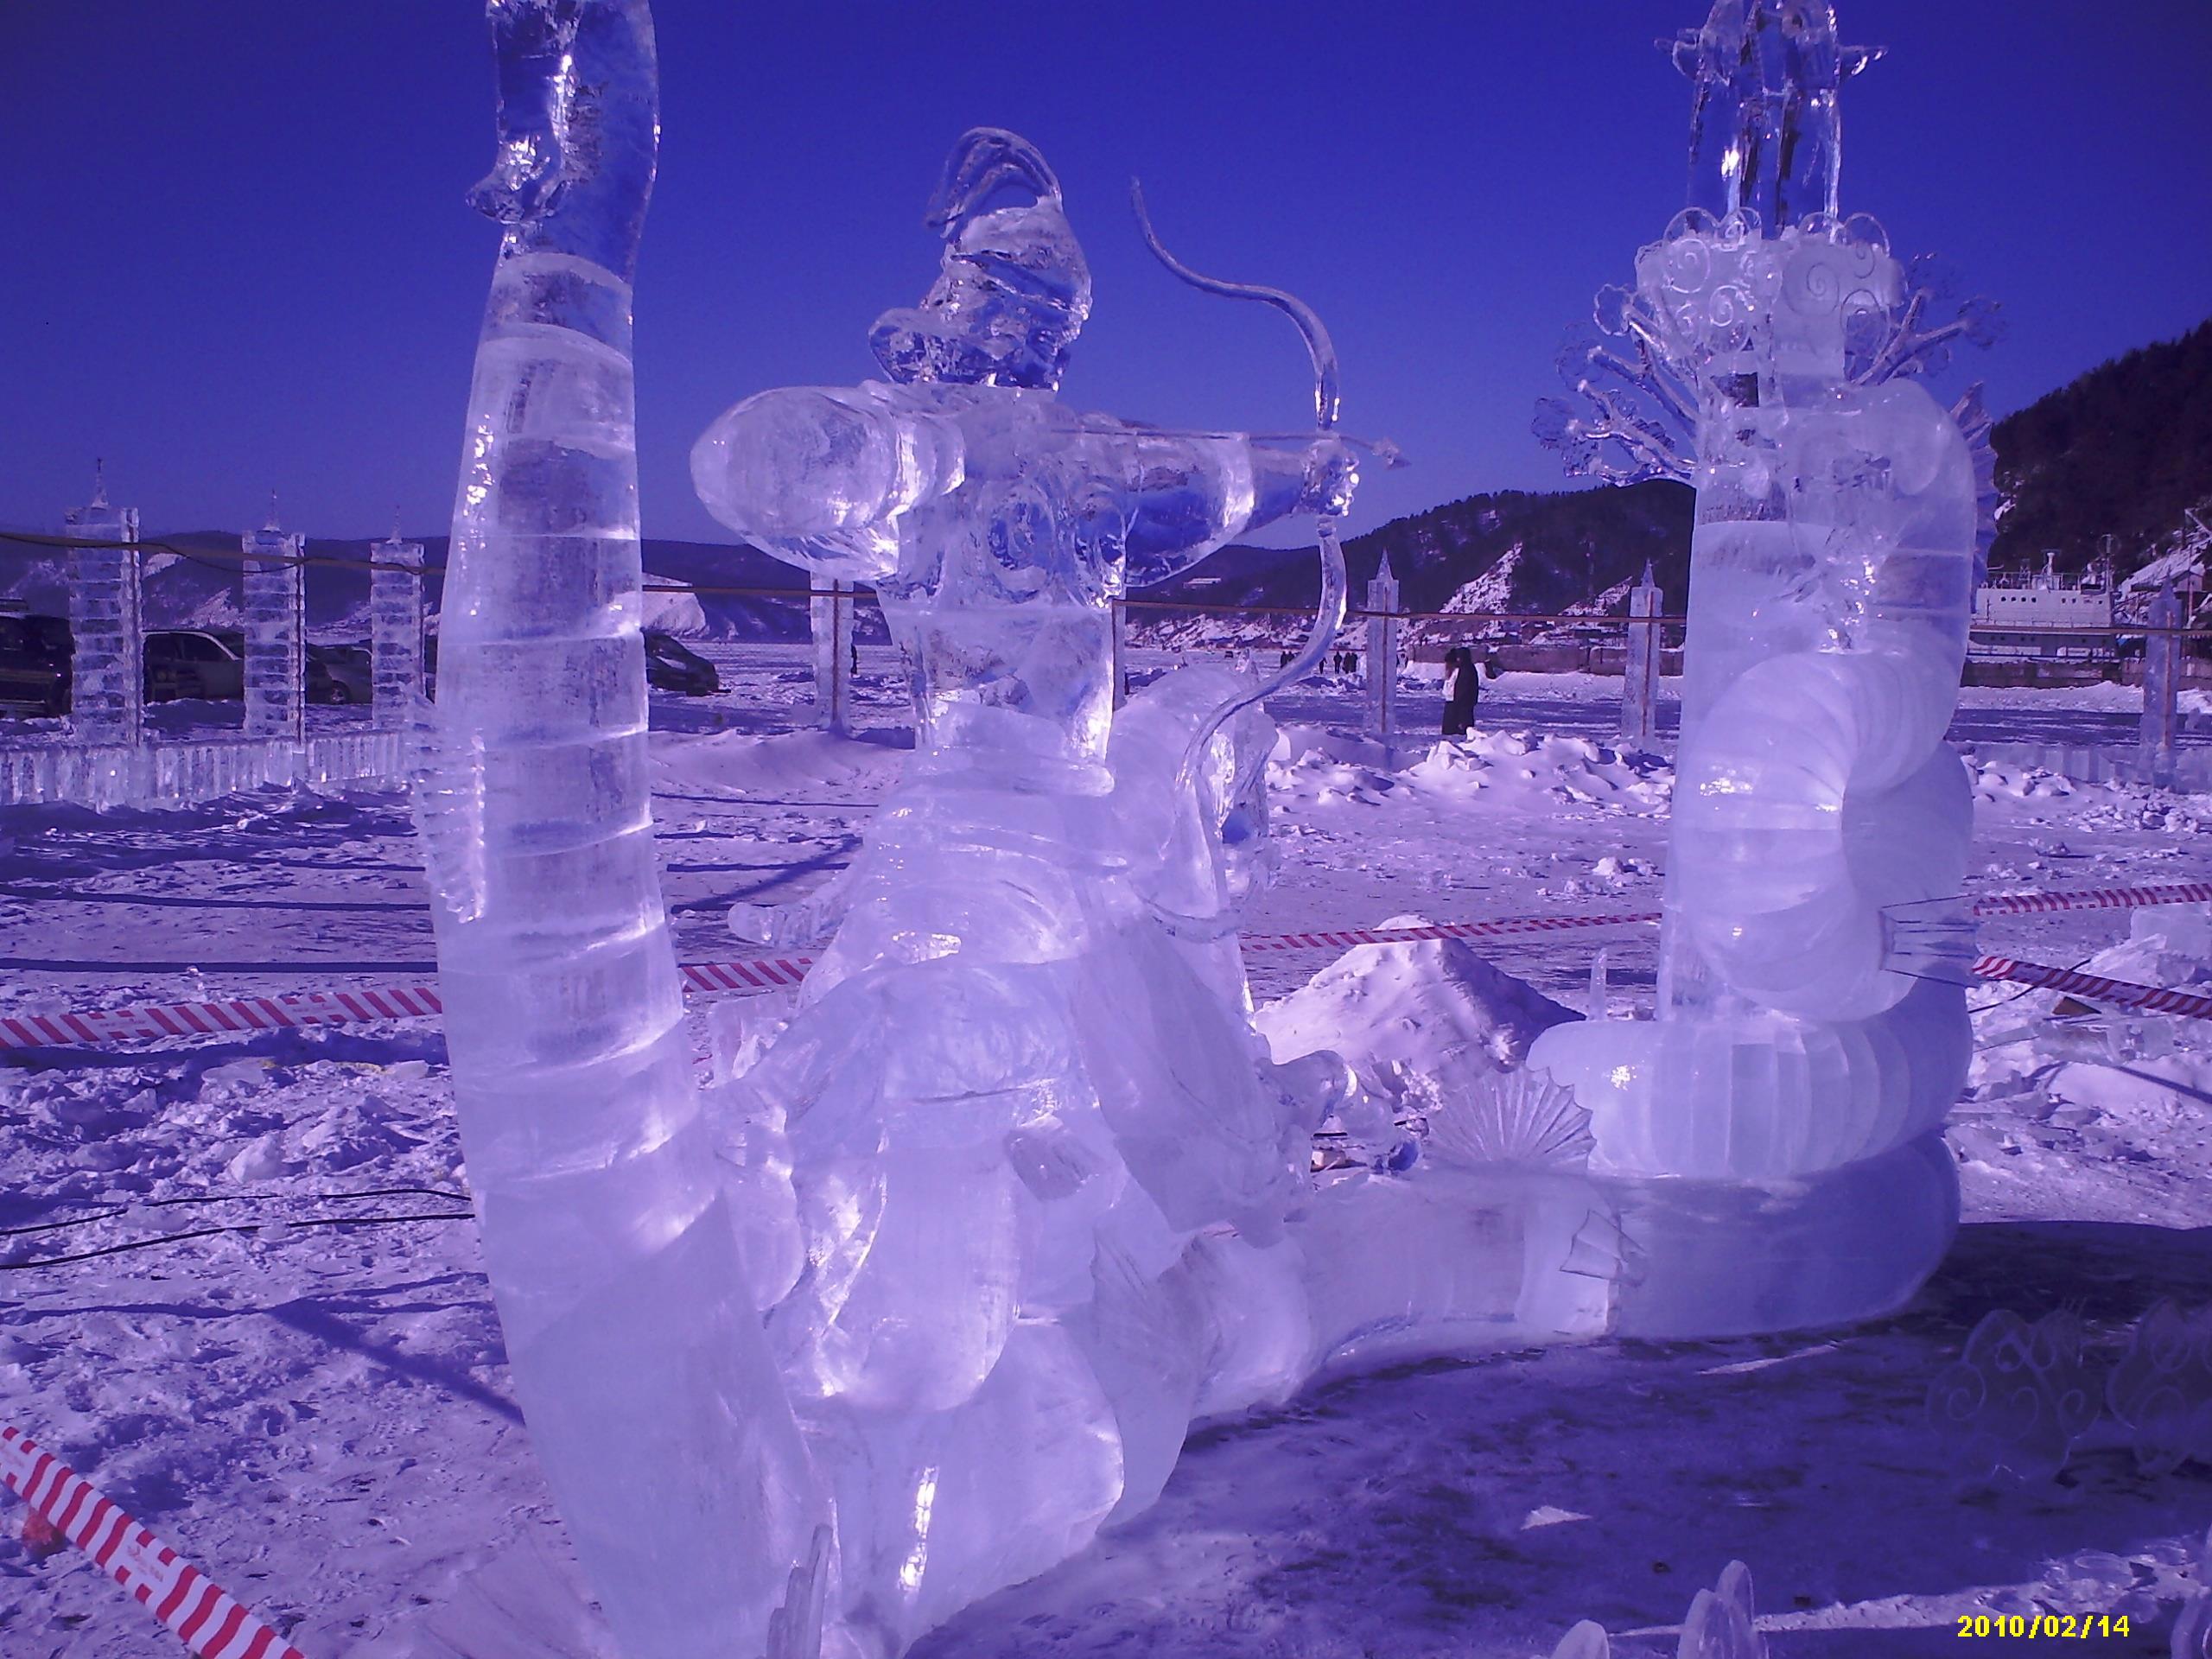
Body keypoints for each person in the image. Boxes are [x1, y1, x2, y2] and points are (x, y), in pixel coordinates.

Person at [1441, 643, 1479, 735]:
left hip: (1462, 701)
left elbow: (1466, 687)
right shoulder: (1459, 669)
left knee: (1463, 726)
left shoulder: (1466, 669)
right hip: (1454, 700)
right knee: (1450, 728)